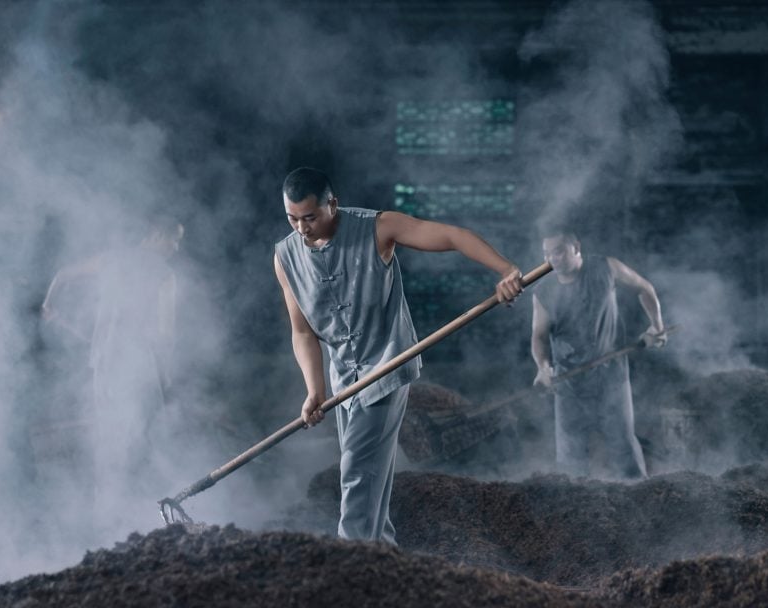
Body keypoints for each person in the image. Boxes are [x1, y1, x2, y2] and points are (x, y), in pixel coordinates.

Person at [273, 167, 523, 544]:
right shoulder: (285, 256)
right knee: (370, 473)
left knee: (356, 471)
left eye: (310, 217)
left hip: (386, 367)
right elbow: (302, 331)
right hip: (345, 380)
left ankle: (350, 564)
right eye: (292, 219)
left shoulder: (378, 228)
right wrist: (314, 389)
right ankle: (385, 559)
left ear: (332, 205)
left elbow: (453, 236)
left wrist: (506, 270)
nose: (301, 229)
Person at [41, 214, 185, 507]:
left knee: (109, 434)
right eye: (174, 239)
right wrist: (166, 376)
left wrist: (49, 304)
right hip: (141, 366)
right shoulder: (163, 274)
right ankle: (144, 503)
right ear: (157, 235)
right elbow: (165, 335)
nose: (176, 247)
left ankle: (107, 503)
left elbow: (62, 275)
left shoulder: (112, 259)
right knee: (146, 436)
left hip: (105, 362)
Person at [530, 226, 666, 480]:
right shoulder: (544, 291)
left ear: (576, 248)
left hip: (611, 375)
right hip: (568, 381)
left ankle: (641, 500)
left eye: (559, 251)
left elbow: (644, 288)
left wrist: (657, 327)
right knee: (571, 458)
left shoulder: (606, 268)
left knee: (624, 448)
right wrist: (543, 368)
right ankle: (574, 510)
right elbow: (539, 336)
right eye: (547, 253)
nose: (552, 259)